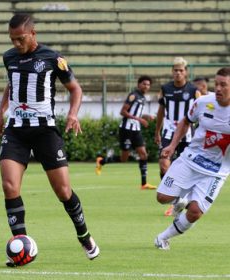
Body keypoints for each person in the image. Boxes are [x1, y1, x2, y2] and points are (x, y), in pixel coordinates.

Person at [0, 13, 100, 266]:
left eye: (20, 39)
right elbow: (12, 83)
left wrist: (73, 114)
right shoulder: (9, 57)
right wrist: (0, 111)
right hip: (16, 130)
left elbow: (75, 88)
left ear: (33, 34)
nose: (16, 44)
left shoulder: (53, 58)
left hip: (45, 131)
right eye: (12, 39)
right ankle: (21, 246)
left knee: (63, 191)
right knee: (10, 187)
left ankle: (84, 235)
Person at [154, 67, 230, 250]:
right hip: (191, 159)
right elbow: (186, 121)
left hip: (217, 171)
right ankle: (182, 200)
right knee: (162, 197)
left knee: (195, 212)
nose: (218, 88)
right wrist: (172, 146)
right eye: (216, 84)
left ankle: (162, 238)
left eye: (224, 85)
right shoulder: (203, 102)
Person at [154, 57, 201, 216]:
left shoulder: (194, 90)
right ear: (172, 72)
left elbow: (201, 112)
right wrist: (157, 131)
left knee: (187, 170)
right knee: (163, 164)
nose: (178, 73)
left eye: (181, 70)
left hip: (188, 136)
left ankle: (183, 199)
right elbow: (160, 111)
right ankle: (176, 200)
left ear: (185, 72)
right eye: (175, 70)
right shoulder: (165, 88)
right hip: (168, 133)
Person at [95, 75, 156, 190]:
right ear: (139, 84)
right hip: (126, 129)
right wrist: (140, 120)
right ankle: (101, 161)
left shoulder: (143, 98)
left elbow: (136, 113)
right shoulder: (133, 95)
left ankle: (144, 184)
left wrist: (146, 116)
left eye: (148, 84)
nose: (146, 86)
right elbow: (123, 112)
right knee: (124, 159)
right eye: (144, 84)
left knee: (143, 154)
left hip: (136, 130)